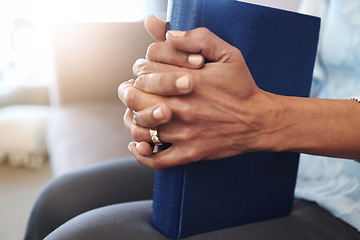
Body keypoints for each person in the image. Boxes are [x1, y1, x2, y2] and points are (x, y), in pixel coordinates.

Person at [23, 0, 360, 239]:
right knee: (58, 202)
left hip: (349, 204)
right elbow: (306, 66)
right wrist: (183, 98)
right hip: (292, 166)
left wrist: (260, 118)